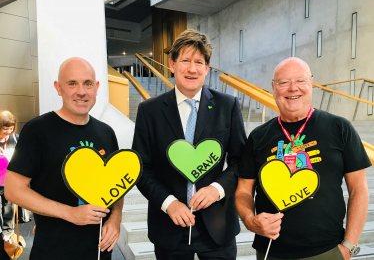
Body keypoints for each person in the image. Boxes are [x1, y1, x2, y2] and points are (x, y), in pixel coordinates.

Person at [235, 57, 370, 260]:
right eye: (283, 82)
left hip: (328, 251)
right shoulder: (258, 136)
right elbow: (244, 190)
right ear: (273, 87)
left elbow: (358, 189)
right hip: (271, 251)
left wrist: (349, 246)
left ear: (311, 83)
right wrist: (250, 220)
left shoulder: (340, 128)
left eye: (300, 80)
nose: (292, 88)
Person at [132, 29, 246, 259]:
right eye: (185, 60)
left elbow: (240, 161)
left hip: (217, 226)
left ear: (207, 68)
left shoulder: (228, 106)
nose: (192, 69)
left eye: (198, 62)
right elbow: (141, 168)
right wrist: (169, 202)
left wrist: (217, 189)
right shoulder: (149, 111)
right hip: (169, 226)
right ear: (172, 65)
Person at [4, 57, 123, 260]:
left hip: (99, 250)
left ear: (97, 87)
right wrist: (70, 213)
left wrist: (115, 219)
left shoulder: (106, 133)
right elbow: (13, 190)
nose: (81, 91)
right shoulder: (37, 131)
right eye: (72, 83)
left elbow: (118, 184)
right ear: (58, 88)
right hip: (53, 250)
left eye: (88, 83)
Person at [0, 110, 18, 260]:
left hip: (9, 183)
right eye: (5, 128)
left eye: (11, 128)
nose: (8, 132)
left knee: (8, 210)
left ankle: (7, 235)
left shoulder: (14, 139)